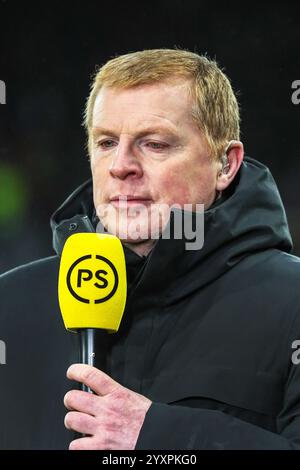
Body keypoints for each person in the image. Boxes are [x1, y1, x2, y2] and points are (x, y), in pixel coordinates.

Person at [1, 48, 300, 450]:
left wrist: (163, 437)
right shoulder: (10, 301)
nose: (121, 166)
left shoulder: (292, 303)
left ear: (225, 165)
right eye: (106, 143)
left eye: (155, 144)